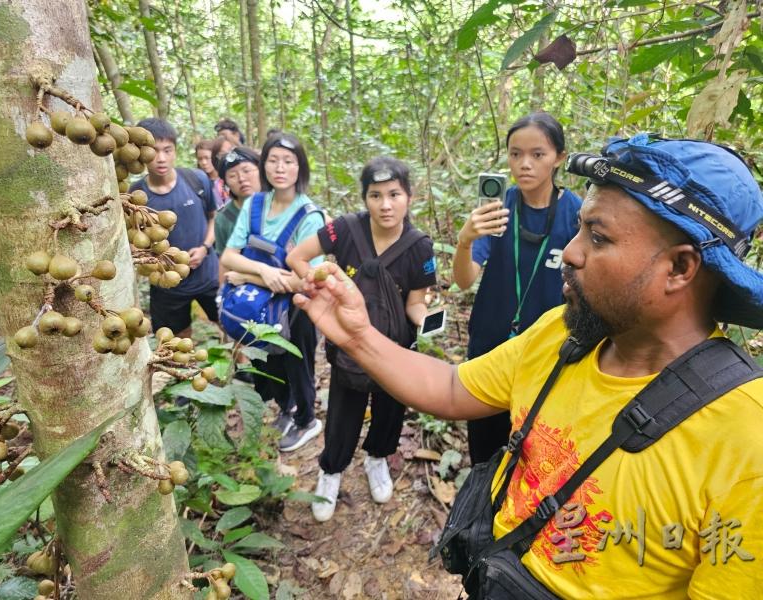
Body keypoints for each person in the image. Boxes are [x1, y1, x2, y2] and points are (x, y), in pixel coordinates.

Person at [293, 134, 763, 598]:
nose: (572, 252)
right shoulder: (561, 334)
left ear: (680, 269)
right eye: (579, 229)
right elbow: (453, 388)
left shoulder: (744, 439)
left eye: (598, 238)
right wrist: (358, 335)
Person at [287, 157, 437, 522]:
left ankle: (377, 459)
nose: (385, 205)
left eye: (394, 194)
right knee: (342, 413)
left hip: (394, 351)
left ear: (409, 197)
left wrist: (430, 321)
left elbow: (415, 303)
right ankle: (331, 471)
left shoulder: (419, 246)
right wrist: (317, 284)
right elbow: (297, 257)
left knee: (389, 412)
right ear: (365, 198)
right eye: (375, 195)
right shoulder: (344, 230)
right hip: (349, 347)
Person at [453, 112, 581, 465]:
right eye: (515, 154)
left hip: (547, 352)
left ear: (559, 158)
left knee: (534, 449)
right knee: (484, 445)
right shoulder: (497, 209)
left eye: (537, 154)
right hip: (490, 347)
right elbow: (465, 280)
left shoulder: (576, 214)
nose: (524, 164)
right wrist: (465, 240)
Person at [221, 133, 324, 452]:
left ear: (300, 168)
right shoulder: (254, 204)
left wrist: (247, 275)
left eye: (289, 161)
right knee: (270, 363)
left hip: (296, 310)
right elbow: (228, 255)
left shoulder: (309, 215)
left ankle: (308, 420)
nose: (280, 168)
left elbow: (307, 280)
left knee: (298, 365)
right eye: (273, 160)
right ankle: (286, 409)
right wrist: (265, 271)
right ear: (263, 164)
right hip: (260, 311)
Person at [131, 118, 218, 337]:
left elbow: (213, 218)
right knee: (176, 341)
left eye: (167, 150)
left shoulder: (196, 180)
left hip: (207, 276)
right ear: (142, 153)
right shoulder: (135, 196)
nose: (161, 158)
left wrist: (205, 248)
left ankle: (241, 370)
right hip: (167, 286)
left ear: (175, 151)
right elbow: (134, 240)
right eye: (154, 151)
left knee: (231, 326)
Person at [215, 146, 262, 287]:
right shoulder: (224, 218)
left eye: (247, 171)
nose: (241, 179)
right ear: (226, 183)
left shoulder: (281, 202)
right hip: (245, 291)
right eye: (232, 176)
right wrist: (221, 294)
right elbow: (224, 260)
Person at [195, 138, 230, 210]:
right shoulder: (197, 183)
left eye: (207, 158)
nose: (204, 163)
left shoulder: (228, 178)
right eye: (200, 159)